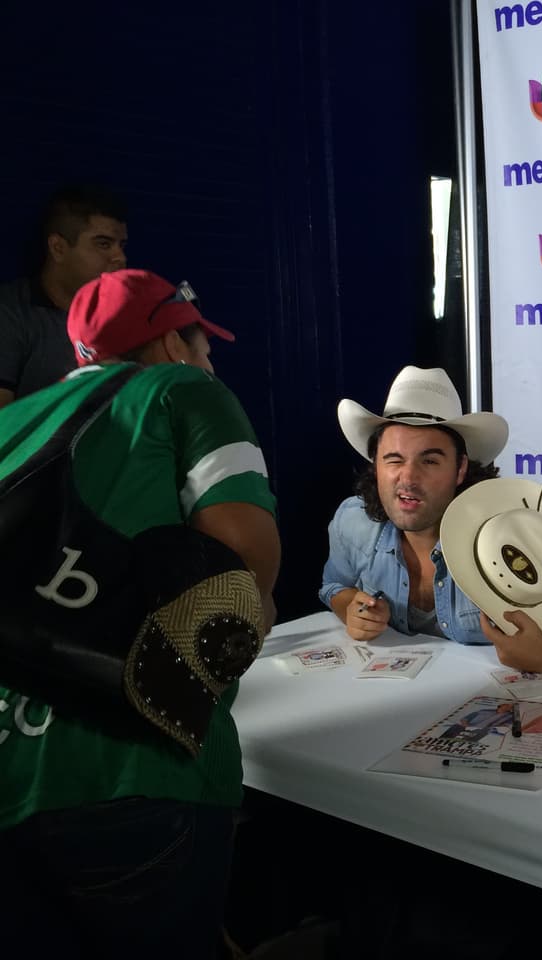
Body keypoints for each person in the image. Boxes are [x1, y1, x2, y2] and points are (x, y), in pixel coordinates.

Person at [0, 268, 280, 958]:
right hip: (133, 769)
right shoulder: (186, 391)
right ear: (169, 344)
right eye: (202, 344)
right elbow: (242, 574)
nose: (209, 358)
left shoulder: (13, 420)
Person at [320, 366, 542, 672]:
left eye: (429, 461)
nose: (408, 477)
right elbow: (334, 585)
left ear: (460, 469)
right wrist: (350, 605)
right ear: (376, 465)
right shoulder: (355, 522)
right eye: (394, 459)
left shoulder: (507, 529)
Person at [0, 184, 129, 407]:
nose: (120, 257)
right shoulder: (11, 312)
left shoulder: (124, 319)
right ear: (58, 248)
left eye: (121, 245)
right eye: (103, 244)